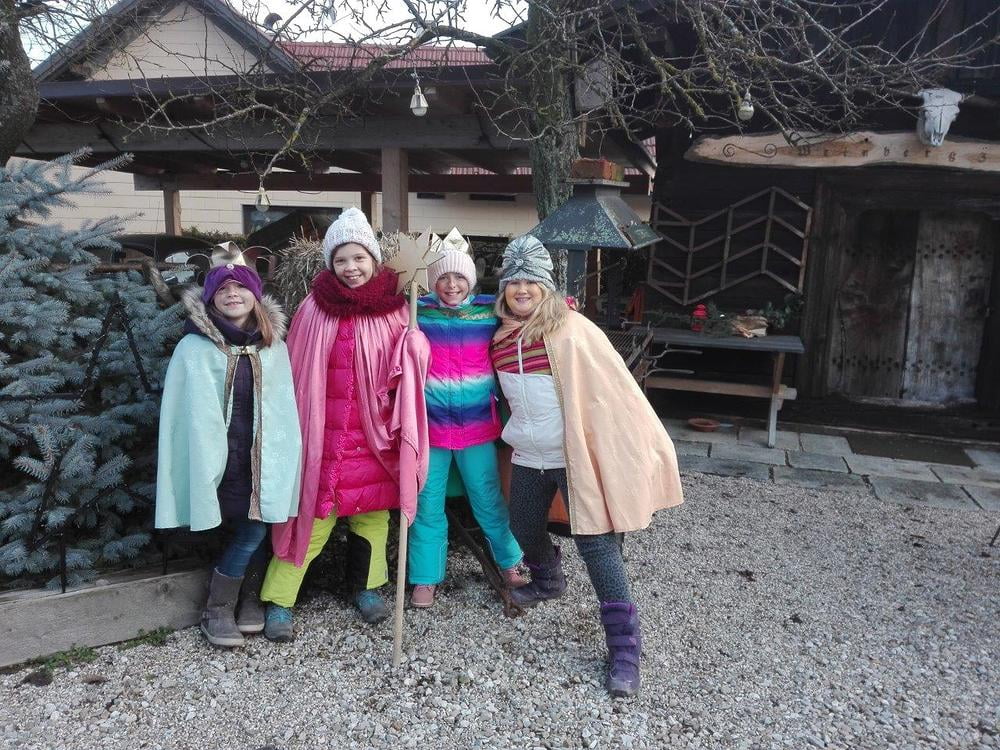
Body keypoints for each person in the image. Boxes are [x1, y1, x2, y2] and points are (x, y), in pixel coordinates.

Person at [489, 234, 684, 697]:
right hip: (529, 453)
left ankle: (624, 647)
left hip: (573, 454)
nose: (521, 289)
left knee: (595, 543)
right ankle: (548, 578)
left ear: (546, 286)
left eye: (531, 281)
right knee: (522, 525)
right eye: (513, 281)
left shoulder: (572, 330)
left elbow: (612, 393)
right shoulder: (499, 336)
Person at [259, 207, 430, 641]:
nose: (350, 267)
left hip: (374, 438)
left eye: (358, 258)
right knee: (310, 518)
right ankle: (280, 601)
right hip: (322, 435)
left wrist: (415, 347)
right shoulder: (314, 308)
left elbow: (408, 376)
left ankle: (367, 589)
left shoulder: (395, 310)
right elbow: (295, 370)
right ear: (330, 264)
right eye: (340, 259)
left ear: (373, 259)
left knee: (372, 517)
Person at [156, 251, 302, 648]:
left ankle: (244, 599)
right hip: (221, 458)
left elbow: (284, 409)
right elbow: (184, 414)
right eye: (223, 288)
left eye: (241, 287)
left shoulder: (273, 346)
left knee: (259, 522)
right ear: (210, 298)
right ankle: (219, 608)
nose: (233, 294)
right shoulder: (194, 348)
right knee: (249, 528)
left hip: (262, 456)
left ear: (256, 295)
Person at [407, 233, 525, 608]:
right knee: (426, 503)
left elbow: (527, 314)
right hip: (431, 429)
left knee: (488, 498)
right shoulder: (417, 313)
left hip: (476, 428)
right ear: (432, 281)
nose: (451, 285)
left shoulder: (489, 313)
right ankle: (425, 577)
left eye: (459, 277)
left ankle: (511, 562)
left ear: (471, 280)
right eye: (443, 277)